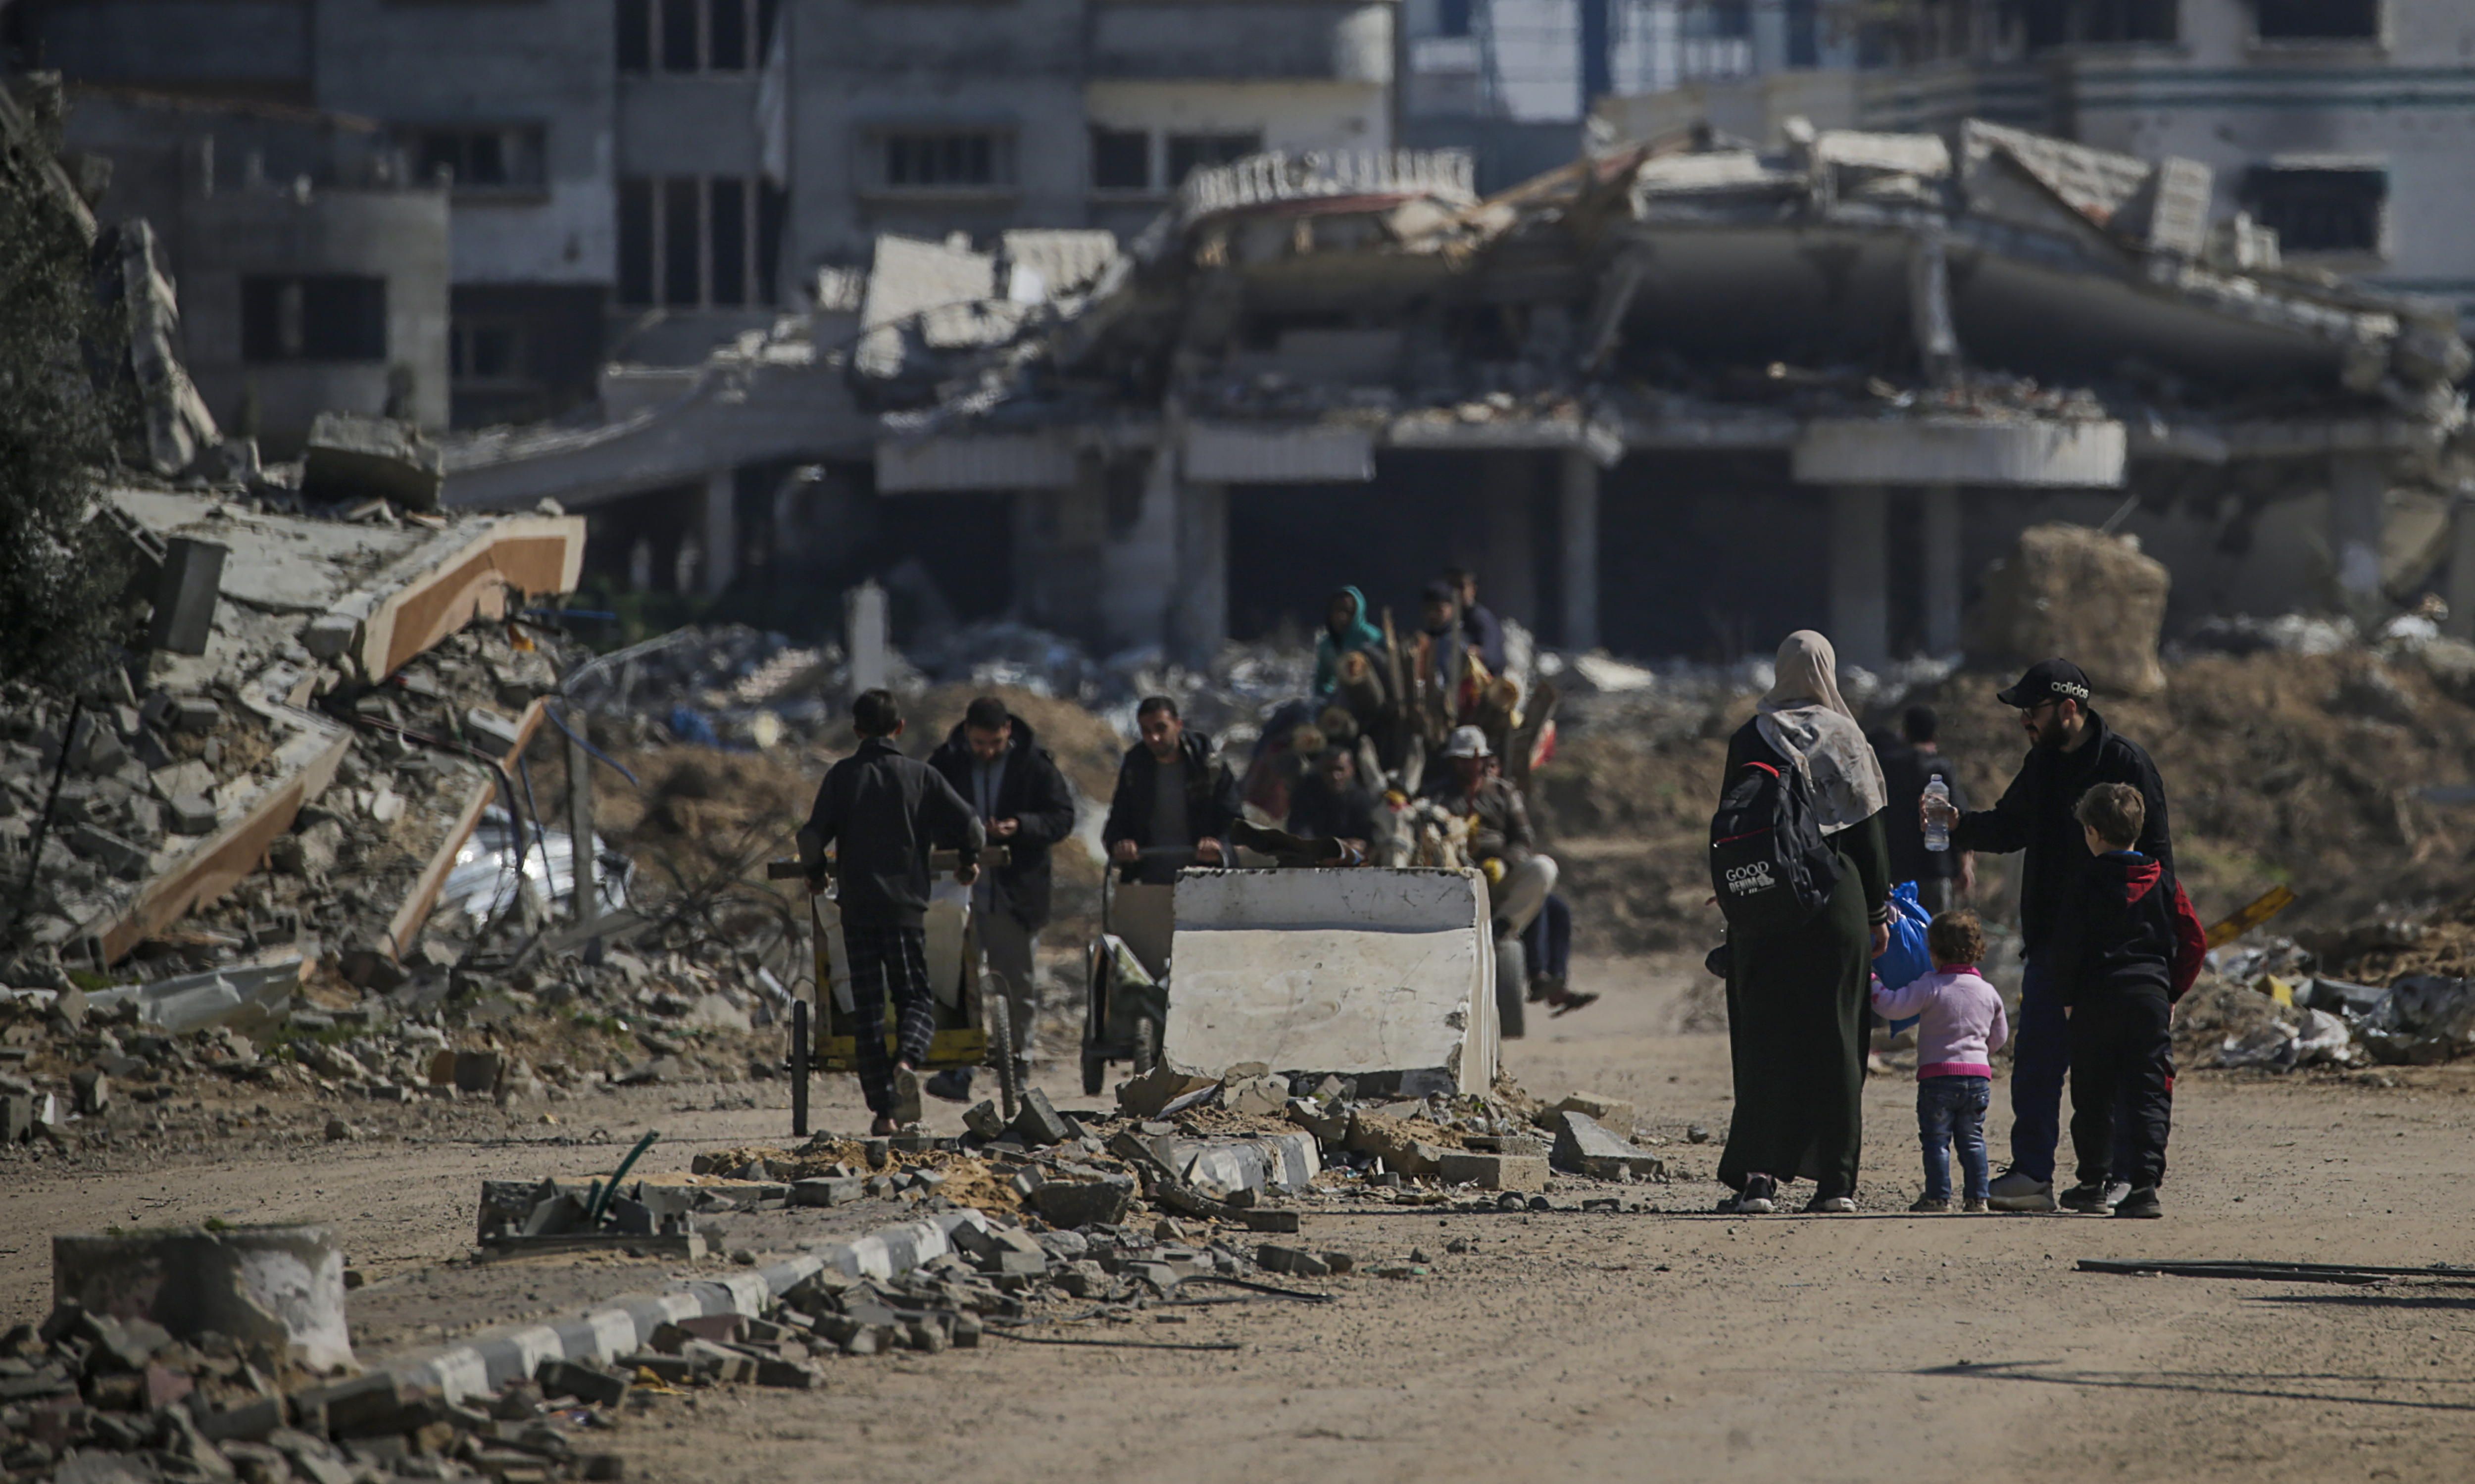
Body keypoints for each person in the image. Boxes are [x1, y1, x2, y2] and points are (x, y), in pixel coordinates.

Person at [1925, 658, 2173, 1213]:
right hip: (2050, 946)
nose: (2022, 723)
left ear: (2068, 708)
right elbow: (2011, 826)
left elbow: (2160, 865)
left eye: (2029, 711)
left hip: (2115, 952)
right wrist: (1958, 823)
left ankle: (2116, 1178)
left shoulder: (2125, 763)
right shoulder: (2040, 763)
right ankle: (2031, 1174)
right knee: (2036, 1063)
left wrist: (2164, 956)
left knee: (2108, 1072)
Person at [1716, 631, 1891, 1217]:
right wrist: (1876, 913)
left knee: (1765, 1039)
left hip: (1765, 907)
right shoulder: (1844, 737)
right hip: (1833, 902)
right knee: (1837, 1039)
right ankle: (1834, 1183)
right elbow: (1867, 836)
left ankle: (1759, 1179)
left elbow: (1734, 825)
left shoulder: (1751, 734)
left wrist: (1734, 904)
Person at [798, 689, 984, 1137]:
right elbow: (972, 827)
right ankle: (907, 1061)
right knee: (914, 997)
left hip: (858, 910)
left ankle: (882, 1113)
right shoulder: (920, 776)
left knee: (867, 1013)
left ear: (857, 730)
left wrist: (817, 873)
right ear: (899, 729)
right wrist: (966, 859)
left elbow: (810, 839)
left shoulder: (842, 777)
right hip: (904, 909)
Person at [923, 695, 1076, 1102]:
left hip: (1015, 895)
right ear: (967, 735)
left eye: (993, 743)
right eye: (979, 744)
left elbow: (1062, 817)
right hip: (958, 896)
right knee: (957, 985)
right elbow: (924, 811)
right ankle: (959, 1069)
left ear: (1008, 731)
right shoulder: (947, 764)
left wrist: (1021, 826)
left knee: (1016, 987)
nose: (986, 751)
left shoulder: (1034, 766)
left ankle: (1018, 1065)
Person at [2051, 783, 2178, 1219]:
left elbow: (2065, 948)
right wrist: (2171, 990)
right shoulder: (2164, 882)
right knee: (2148, 1092)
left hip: (2095, 999)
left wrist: (2067, 1000)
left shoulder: (2084, 881)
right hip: (2148, 999)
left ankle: (2092, 1184)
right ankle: (2144, 1186)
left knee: (2093, 1093)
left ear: (2091, 831)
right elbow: (2193, 940)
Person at [1870, 910, 2009, 1213]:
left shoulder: (1929, 986)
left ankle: (1938, 1197)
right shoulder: (1988, 992)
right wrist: (1980, 1055)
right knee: (1973, 1140)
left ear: (1931, 952)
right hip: (1977, 1078)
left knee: (1937, 1142)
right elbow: (1999, 1035)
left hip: (1937, 1079)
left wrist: (1873, 983)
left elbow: (1893, 1007)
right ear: (1977, 950)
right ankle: (1978, 1198)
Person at [1101, 696, 1242, 885]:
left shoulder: (1208, 765)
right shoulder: (1135, 767)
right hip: (1148, 884)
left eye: (1161, 728)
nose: (1154, 738)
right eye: (1147, 731)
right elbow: (1118, 820)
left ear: (1178, 725)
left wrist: (1220, 848)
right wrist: (1121, 845)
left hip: (1205, 883)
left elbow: (1234, 822)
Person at [1878, 704, 1973, 915]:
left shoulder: (1886, 767)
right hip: (1936, 869)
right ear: (1934, 734)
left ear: (1905, 733)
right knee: (1936, 938)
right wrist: (1964, 865)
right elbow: (1959, 818)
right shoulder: (1941, 767)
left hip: (1896, 869)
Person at [1286, 745, 1380, 851]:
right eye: (1329, 770)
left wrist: (1362, 845)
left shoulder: (1362, 799)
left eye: (1340, 769)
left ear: (1351, 769)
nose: (1335, 776)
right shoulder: (1306, 795)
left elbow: (1370, 837)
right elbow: (1299, 832)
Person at [1312, 587, 1386, 700]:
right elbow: (1322, 682)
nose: (1342, 616)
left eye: (1347, 611)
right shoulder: (1328, 644)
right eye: (1337, 610)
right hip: (1340, 699)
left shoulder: (1372, 638)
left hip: (1373, 698)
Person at [1443, 566, 1507, 676]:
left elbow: (1493, 657)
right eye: (1451, 587)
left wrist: (1477, 653)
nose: (1455, 593)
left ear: (1473, 590)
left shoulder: (1481, 618)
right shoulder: (1449, 619)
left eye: (1461, 587)